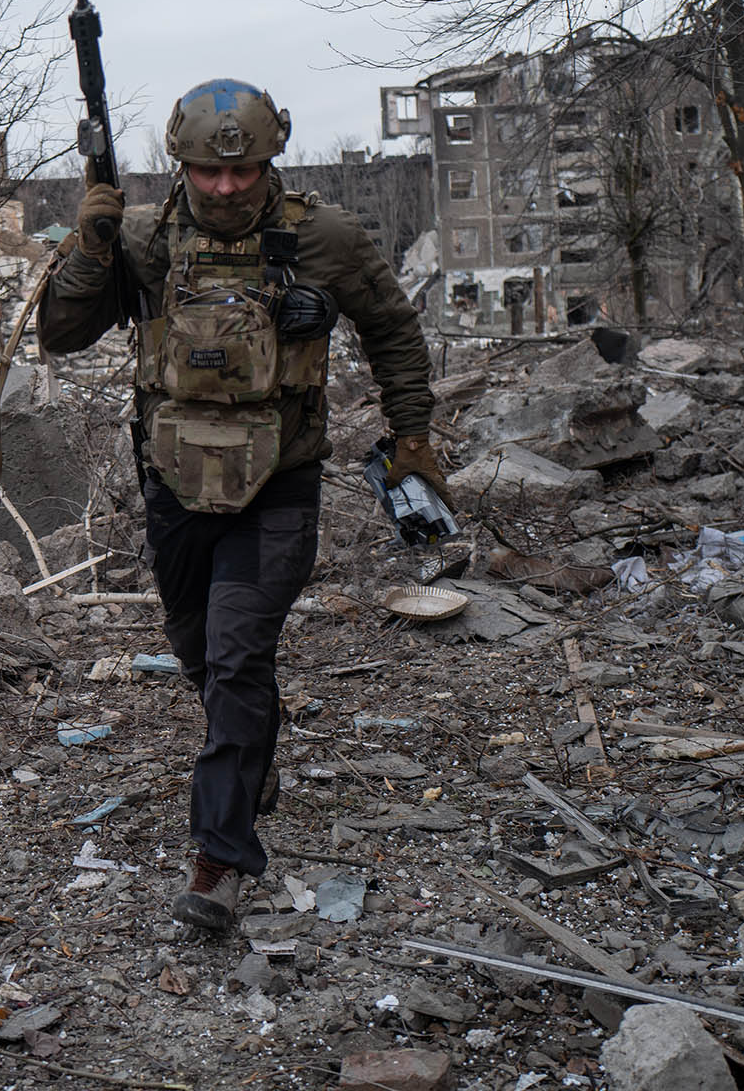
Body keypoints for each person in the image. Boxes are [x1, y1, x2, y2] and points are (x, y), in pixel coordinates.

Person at [37, 77, 449, 930]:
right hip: (174, 483)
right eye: (207, 172)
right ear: (179, 164)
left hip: (278, 485)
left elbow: (394, 330)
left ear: (270, 160)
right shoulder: (144, 238)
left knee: (235, 656)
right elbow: (60, 333)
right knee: (200, 653)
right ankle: (252, 747)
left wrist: (411, 436)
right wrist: (91, 249)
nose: (226, 187)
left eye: (244, 170)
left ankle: (219, 859)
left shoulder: (324, 237)